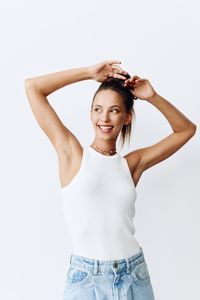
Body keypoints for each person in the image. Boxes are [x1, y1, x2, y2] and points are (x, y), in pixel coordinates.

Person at [25, 60, 197, 300]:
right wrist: (88, 73)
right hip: (86, 280)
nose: (104, 117)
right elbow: (33, 88)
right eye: (98, 109)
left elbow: (186, 130)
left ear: (126, 117)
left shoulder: (131, 164)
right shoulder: (72, 154)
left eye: (114, 110)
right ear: (91, 113)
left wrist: (152, 96)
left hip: (134, 275)